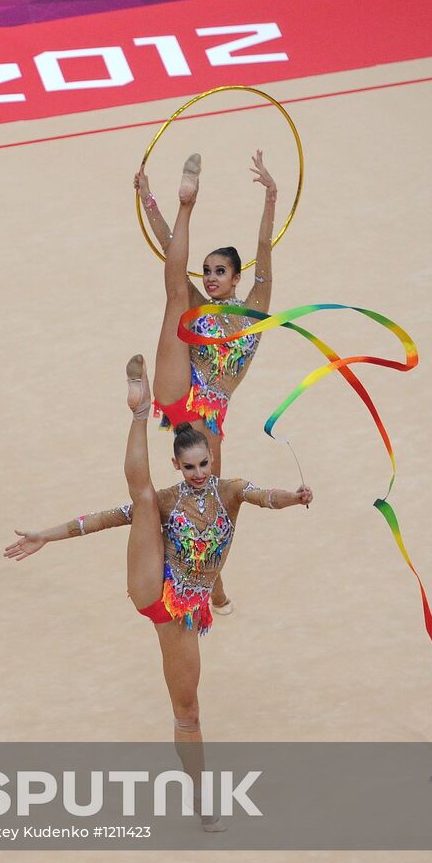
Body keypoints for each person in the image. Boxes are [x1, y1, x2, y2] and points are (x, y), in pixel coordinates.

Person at [4, 356, 311, 829]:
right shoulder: (169, 499)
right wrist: (47, 534)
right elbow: (104, 518)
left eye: (204, 463)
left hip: (180, 619)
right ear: (176, 464)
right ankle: (139, 411)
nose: (198, 473)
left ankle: (200, 802)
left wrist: (294, 497)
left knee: (188, 712)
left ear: (211, 456)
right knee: (143, 498)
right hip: (155, 588)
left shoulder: (229, 490)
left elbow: (264, 496)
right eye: (188, 467)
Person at [134, 150, 278, 612]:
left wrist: (272, 197)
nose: (212, 278)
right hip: (182, 395)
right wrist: (149, 201)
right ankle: (185, 199)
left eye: (220, 272)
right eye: (210, 271)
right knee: (175, 288)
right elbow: (171, 257)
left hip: (211, 420)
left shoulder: (255, 310)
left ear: (237, 279)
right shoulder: (201, 303)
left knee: (213, 508)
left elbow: (265, 253)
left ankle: (213, 588)